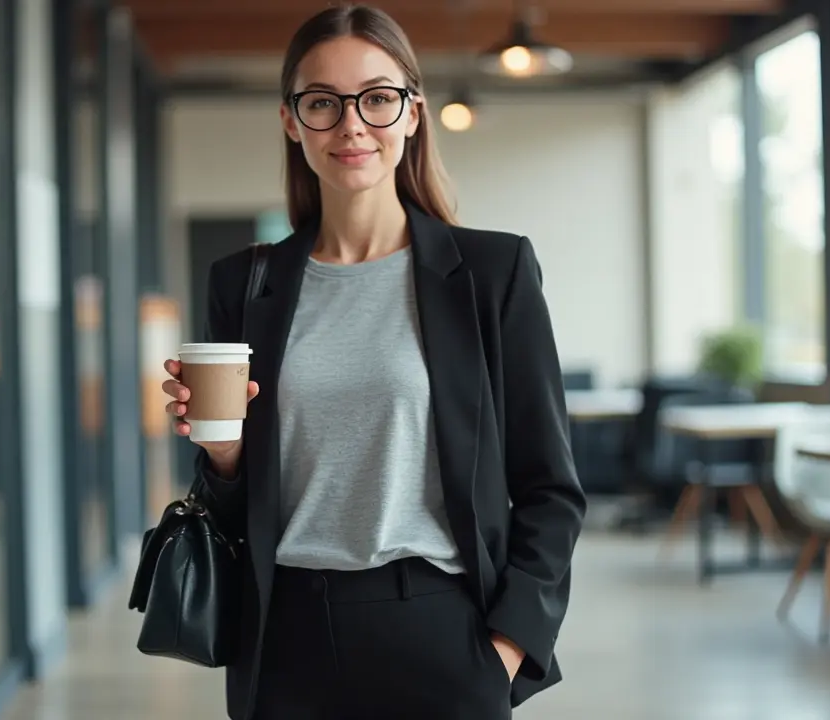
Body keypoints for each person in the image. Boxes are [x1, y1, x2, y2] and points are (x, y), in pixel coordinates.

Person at [161, 4, 586, 719]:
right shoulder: (244, 284)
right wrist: (225, 455)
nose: (352, 124)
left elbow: (551, 486)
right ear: (292, 121)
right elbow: (232, 506)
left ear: (413, 114)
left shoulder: (492, 272)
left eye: (378, 98)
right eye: (322, 102)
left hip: (441, 632)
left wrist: (508, 645)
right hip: (284, 638)